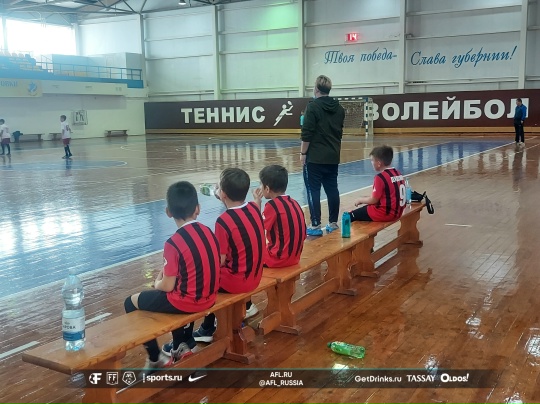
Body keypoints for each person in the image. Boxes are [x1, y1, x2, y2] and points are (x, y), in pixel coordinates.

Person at [124, 181, 221, 376]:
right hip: (210, 298)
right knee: (182, 289)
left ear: (168, 212)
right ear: (198, 209)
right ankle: (182, 343)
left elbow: (167, 286)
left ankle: (155, 357)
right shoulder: (208, 232)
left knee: (130, 302)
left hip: (187, 302)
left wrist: (157, 283)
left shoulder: (173, 243)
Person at [187, 168, 265, 343]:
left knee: (201, 278)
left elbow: (220, 261)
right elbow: (247, 211)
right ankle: (242, 309)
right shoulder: (253, 208)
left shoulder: (223, 221)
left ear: (222, 194)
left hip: (237, 282)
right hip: (255, 276)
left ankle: (206, 328)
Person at [300, 75, 345, 236]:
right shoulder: (339, 109)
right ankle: (333, 223)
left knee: (313, 190)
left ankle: (315, 225)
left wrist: (303, 153)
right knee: (332, 189)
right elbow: (339, 133)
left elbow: (307, 133)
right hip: (333, 156)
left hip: (315, 158)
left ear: (316, 89)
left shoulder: (312, 107)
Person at [253, 165, 307, 268]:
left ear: (267, 188)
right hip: (295, 257)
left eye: (260, 184)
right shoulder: (294, 202)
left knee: (246, 252)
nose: (260, 187)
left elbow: (256, 228)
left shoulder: (272, 206)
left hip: (277, 260)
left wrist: (257, 202)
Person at [349, 145, 406, 222]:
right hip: (398, 212)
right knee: (365, 209)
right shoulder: (398, 173)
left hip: (385, 214)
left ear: (379, 163)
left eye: (372, 160)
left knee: (350, 215)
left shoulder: (380, 177)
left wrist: (360, 200)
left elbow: (373, 200)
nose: (371, 163)